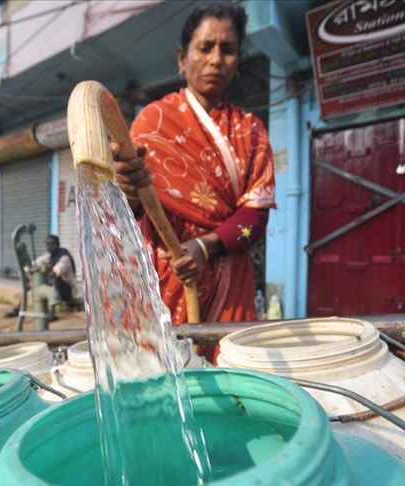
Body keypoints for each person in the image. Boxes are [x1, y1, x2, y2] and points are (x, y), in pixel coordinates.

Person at [112, 3, 275, 358]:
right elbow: (130, 208)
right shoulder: (151, 123)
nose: (217, 59)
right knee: (164, 376)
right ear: (182, 59)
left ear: (237, 61)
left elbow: (256, 214)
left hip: (229, 277)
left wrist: (205, 247)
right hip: (166, 277)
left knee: (229, 376)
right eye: (205, 47)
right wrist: (127, 189)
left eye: (228, 49)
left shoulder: (251, 131)